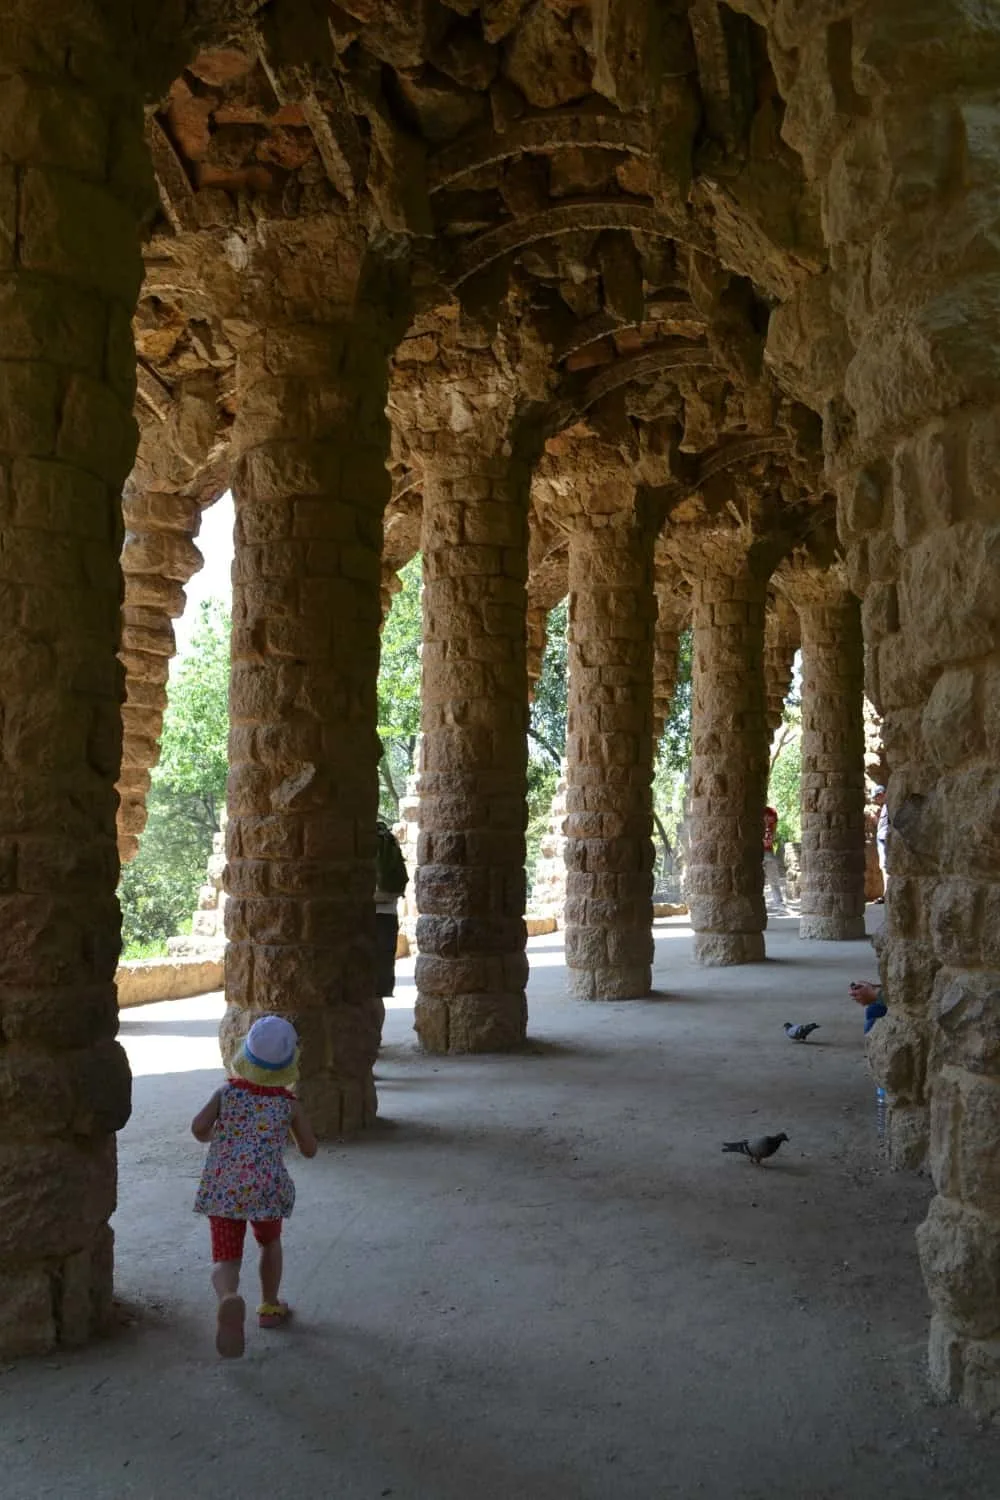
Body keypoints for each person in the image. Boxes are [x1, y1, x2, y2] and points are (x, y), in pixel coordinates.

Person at [191, 1014, 317, 1359]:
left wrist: (214, 1135)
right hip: (265, 1191)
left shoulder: (226, 1093)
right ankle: (269, 1307)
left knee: (225, 1259)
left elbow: (198, 1127)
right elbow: (309, 1149)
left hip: (224, 1189)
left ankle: (228, 1297)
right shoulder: (287, 1105)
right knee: (269, 1244)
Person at [375, 815, 409, 1000]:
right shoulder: (388, 839)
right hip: (388, 912)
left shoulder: (356, 838)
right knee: (381, 984)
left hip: (366, 914)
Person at [762, 805, 786, 912]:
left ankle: (778, 901)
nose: (767, 821)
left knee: (773, 876)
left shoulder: (772, 812)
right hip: (756, 848)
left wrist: (770, 839)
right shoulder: (755, 811)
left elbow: (774, 829)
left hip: (768, 849)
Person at [873, 785, 889, 902]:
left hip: (885, 841)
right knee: (884, 867)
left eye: (876, 797)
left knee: (886, 867)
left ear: (881, 795)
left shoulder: (888, 806)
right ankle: (886, 893)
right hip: (882, 839)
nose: (875, 800)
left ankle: (887, 894)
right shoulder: (884, 807)